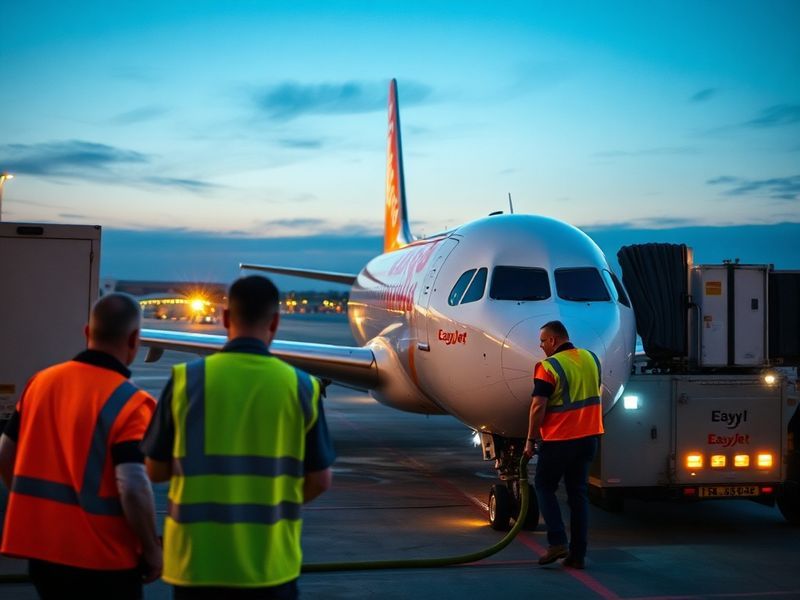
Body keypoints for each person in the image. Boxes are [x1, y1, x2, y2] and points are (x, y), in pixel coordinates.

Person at [142, 275, 335, 599]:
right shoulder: (302, 386)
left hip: (197, 565)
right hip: (269, 566)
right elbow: (320, 480)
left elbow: (154, 471)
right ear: (274, 322)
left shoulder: (185, 380)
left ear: (226, 318)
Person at [0, 293, 162, 599]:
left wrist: (35, 509)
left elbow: (5, 453)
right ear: (135, 340)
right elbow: (133, 486)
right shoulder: (132, 403)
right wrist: (152, 549)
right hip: (105, 561)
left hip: (44, 552)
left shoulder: (40, 383)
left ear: (87, 332)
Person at [523, 320, 603, 570]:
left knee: (544, 486)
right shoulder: (591, 358)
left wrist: (530, 439)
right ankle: (578, 554)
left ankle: (557, 541)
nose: (541, 346)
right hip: (589, 438)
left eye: (543, 342)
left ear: (554, 341)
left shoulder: (549, 366)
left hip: (560, 439)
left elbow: (538, 405)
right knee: (578, 495)